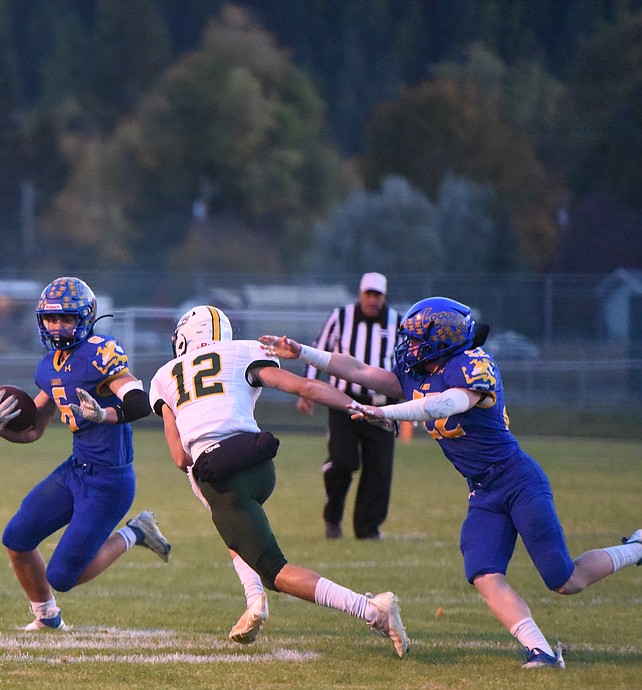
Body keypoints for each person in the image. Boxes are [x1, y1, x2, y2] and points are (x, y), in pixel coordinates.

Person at [261, 297, 642, 669]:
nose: (408, 347)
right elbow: (359, 370)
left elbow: (443, 405)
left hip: (517, 479)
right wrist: (305, 352)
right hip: (483, 491)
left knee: (564, 579)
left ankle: (636, 548)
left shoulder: (473, 365)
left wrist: (381, 410)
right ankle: (540, 652)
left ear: (441, 339)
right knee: (483, 571)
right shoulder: (419, 371)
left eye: (415, 339)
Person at [148, 305, 410, 657]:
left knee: (275, 571)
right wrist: (360, 410)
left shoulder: (165, 375)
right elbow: (305, 386)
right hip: (259, 463)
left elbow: (180, 458)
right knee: (234, 526)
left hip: (223, 476)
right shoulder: (243, 352)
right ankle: (254, 600)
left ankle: (371, 611)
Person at [0, 276, 171, 631]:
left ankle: (136, 531)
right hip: (75, 471)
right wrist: (1, 428)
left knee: (63, 575)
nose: (57, 326)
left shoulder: (100, 353)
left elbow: (139, 403)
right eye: (52, 319)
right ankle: (46, 616)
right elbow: (34, 430)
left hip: (109, 481)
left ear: (84, 317)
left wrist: (104, 414)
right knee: (16, 539)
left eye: (66, 318)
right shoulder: (49, 366)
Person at [299, 272, 401, 540]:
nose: (372, 300)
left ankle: (368, 529)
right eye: (368, 294)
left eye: (377, 295)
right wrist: (307, 390)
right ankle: (333, 517)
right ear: (360, 294)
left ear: (384, 297)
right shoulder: (340, 317)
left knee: (379, 469)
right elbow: (319, 351)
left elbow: (405, 364)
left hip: (382, 406)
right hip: (344, 402)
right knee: (343, 462)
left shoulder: (397, 323)